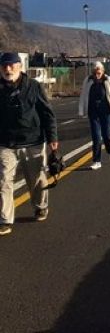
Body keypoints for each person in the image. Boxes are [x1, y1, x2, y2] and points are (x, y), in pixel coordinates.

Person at [0, 52, 58, 235]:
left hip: (32, 141)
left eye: (11, 65)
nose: (8, 69)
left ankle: (40, 205)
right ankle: (4, 219)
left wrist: (53, 140)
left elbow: (47, 114)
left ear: (20, 66)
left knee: (35, 180)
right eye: (4, 66)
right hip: (5, 143)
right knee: (3, 181)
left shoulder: (34, 87)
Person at [79, 61, 110, 170]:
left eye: (99, 71)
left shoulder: (108, 80)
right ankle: (97, 161)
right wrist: (82, 110)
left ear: (102, 71)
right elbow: (83, 95)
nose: (97, 74)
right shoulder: (88, 81)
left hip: (106, 112)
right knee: (96, 137)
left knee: (106, 135)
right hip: (93, 113)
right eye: (95, 72)